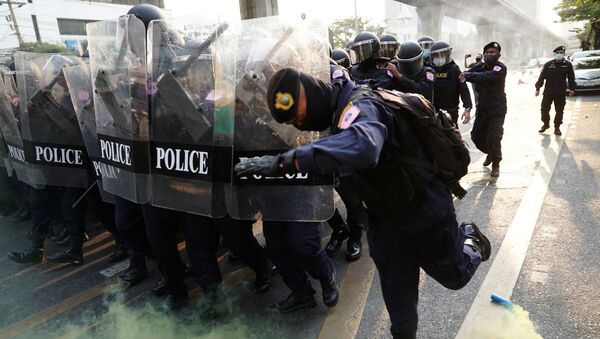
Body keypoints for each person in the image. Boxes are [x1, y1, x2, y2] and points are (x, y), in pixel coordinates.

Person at [234, 67, 491, 339]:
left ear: (310, 91)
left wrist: (288, 160)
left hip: (423, 211)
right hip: (384, 222)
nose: (302, 125)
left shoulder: (360, 104)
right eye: (295, 123)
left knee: (456, 276)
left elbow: (363, 146)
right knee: (400, 313)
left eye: (301, 115)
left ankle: (472, 239)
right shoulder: (336, 116)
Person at [463, 42, 507, 177]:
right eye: (487, 52)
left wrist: (467, 76)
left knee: (494, 137)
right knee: (475, 136)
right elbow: (466, 73)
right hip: (482, 108)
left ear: (498, 55)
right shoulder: (480, 66)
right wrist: (462, 75)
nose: (489, 54)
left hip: (497, 109)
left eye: (492, 52)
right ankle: (490, 152)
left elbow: (487, 77)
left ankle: (496, 164)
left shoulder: (500, 68)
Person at [535, 45, 575, 136]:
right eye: (558, 53)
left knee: (559, 111)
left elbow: (571, 78)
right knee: (544, 109)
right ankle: (546, 124)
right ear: (554, 54)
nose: (559, 54)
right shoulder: (548, 65)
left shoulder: (567, 65)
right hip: (548, 92)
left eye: (561, 53)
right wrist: (537, 88)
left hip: (560, 93)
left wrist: (572, 89)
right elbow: (542, 77)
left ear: (564, 54)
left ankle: (557, 127)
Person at [430, 40, 473, 125]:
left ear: (447, 55)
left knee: (451, 135)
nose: (439, 57)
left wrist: (467, 109)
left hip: (451, 112)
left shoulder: (455, 70)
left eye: (441, 55)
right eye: (436, 56)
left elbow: (464, 90)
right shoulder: (430, 70)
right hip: (433, 111)